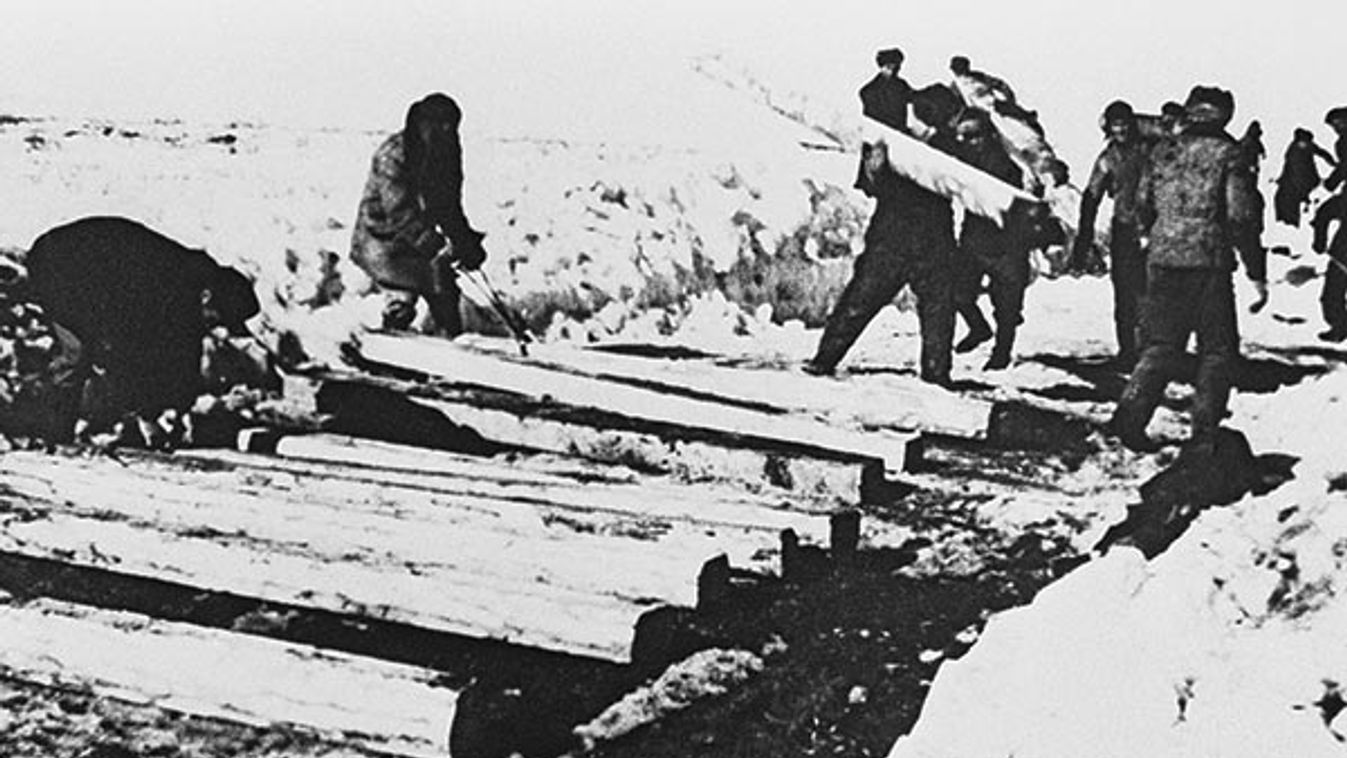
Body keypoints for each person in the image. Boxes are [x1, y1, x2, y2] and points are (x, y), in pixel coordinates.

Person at [1109, 85, 1259, 454]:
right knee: (1217, 351)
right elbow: (1240, 216)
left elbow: (1141, 203)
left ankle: (1129, 418)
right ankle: (1205, 435)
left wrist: (1154, 236)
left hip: (1162, 259)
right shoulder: (1229, 154)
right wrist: (1256, 269)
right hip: (1208, 261)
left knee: (1161, 345)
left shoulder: (1162, 151)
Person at [24, 215, 262, 446]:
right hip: (61, 263)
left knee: (108, 350)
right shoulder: (161, 293)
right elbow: (127, 352)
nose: (215, 326)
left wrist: (179, 409)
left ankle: (68, 431)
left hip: (103, 274)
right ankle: (53, 440)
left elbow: (186, 356)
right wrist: (148, 417)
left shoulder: (192, 296)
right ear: (206, 298)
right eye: (217, 319)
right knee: (78, 353)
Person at [351, 92, 487, 336]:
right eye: (441, 124)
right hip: (382, 240)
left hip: (417, 240)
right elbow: (399, 213)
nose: (447, 130)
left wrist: (463, 239)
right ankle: (392, 349)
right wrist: (433, 244)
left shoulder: (446, 150)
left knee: (444, 290)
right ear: (425, 123)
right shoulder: (393, 155)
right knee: (404, 295)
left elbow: (448, 205)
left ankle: (451, 346)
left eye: (451, 126)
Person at [1069, 99, 1153, 368]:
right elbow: (1091, 197)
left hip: (1155, 228)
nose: (1121, 130)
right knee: (1126, 294)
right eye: (1116, 125)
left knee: (1151, 293)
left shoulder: (1151, 151)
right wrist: (1083, 240)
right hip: (1125, 231)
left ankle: (1149, 350)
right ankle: (1130, 350)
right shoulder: (1108, 159)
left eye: (1125, 124)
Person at [949, 111, 1031, 370]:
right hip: (975, 240)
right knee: (958, 292)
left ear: (988, 135)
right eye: (963, 137)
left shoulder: (1004, 166)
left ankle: (1002, 352)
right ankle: (979, 328)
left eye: (973, 136)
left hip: (1006, 244)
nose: (967, 142)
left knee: (1006, 306)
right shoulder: (967, 160)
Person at [949, 55, 1043, 135]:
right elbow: (958, 104)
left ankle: (1027, 117)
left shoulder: (978, 76)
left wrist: (1009, 97)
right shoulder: (955, 87)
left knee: (1010, 109)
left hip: (991, 102)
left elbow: (998, 84)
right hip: (976, 110)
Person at [1273, 127, 1336, 227]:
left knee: (1287, 205)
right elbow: (1289, 166)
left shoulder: (1300, 146)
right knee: (1285, 205)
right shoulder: (1296, 147)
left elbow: (1322, 153)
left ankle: (1290, 227)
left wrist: (1334, 164)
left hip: (1299, 183)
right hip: (1295, 183)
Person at [1310, 190, 1347, 341]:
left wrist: (1319, 242)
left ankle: (1339, 327)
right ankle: (1339, 327)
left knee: (1332, 296)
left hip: (1343, 255)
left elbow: (1324, 213)